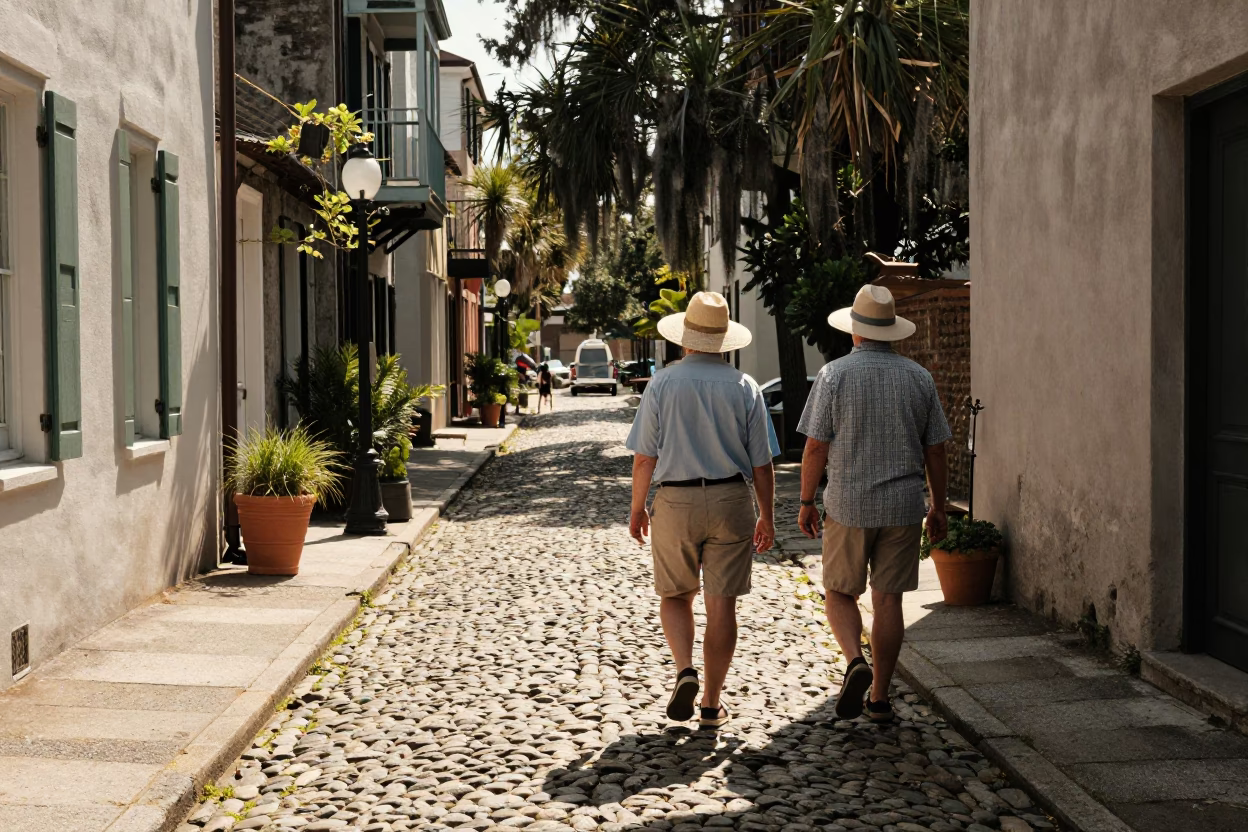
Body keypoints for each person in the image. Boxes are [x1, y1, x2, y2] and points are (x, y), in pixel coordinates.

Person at [796, 284, 951, 724]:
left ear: (855, 333)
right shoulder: (919, 377)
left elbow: (814, 448)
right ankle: (880, 697)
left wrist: (807, 499)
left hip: (848, 505)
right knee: (888, 601)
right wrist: (938, 506)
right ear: (892, 332)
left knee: (839, 591)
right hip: (903, 507)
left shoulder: (833, 375)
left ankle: (853, 660)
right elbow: (936, 450)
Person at [626, 291, 781, 729]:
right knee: (722, 606)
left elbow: (644, 457)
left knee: (675, 595)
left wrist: (638, 508)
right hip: (732, 500)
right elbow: (762, 463)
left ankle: (684, 671)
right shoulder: (744, 386)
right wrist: (766, 515)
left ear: (685, 338)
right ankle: (712, 703)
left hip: (675, 501)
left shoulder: (663, 383)